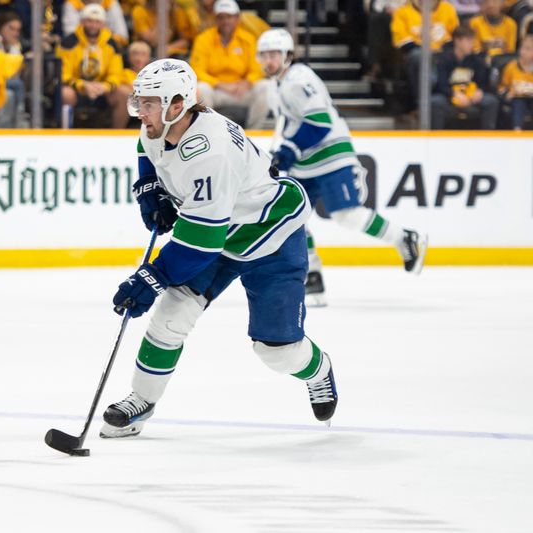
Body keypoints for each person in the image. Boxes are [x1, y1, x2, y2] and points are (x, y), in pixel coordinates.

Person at [100, 58, 339, 439]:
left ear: (177, 104)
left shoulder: (209, 151)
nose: (140, 112)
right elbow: (147, 150)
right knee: (172, 313)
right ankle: (141, 401)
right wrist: (150, 188)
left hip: (270, 233)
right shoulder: (161, 124)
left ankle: (319, 369)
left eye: (148, 104)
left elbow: (200, 243)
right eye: (139, 102)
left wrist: (152, 277)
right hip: (222, 229)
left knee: (276, 351)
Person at [257, 29, 427, 307]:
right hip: (306, 163)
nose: (269, 60)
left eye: (274, 54)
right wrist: (282, 150)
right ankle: (313, 278)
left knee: (347, 215)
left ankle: (404, 238)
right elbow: (291, 124)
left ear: (288, 55)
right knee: (292, 218)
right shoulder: (277, 85)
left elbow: (320, 121)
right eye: (264, 55)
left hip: (332, 156)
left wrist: (289, 150)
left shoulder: (298, 79)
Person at [189, 0, 271, 129]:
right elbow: (197, 70)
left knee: (265, 86)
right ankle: (207, 130)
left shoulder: (248, 39)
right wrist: (219, 84)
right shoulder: (204, 39)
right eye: (221, 17)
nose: (225, 21)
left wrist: (247, 82)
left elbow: (257, 68)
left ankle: (254, 132)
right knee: (201, 88)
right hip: (216, 90)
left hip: (241, 90)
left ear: (237, 18)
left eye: (229, 17)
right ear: (216, 19)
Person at [57, 4, 126, 128]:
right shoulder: (68, 42)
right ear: (82, 21)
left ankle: (116, 134)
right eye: (89, 21)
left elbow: (116, 74)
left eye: (97, 21)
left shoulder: (112, 44)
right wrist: (82, 85)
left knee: (124, 93)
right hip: (77, 88)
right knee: (65, 93)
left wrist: (105, 86)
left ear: (103, 24)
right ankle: (65, 132)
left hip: (102, 89)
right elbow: (63, 74)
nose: (93, 25)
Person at [431, 25, 500, 129]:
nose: (471, 45)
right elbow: (441, 84)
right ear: (457, 41)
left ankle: (487, 137)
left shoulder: (477, 60)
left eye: (472, 41)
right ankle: (435, 137)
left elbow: (482, 81)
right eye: (468, 41)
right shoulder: (444, 60)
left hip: (471, 95)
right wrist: (453, 94)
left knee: (491, 101)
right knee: (435, 102)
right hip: (449, 96)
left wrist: (479, 91)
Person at [499, 33, 533, 130]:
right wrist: (507, 94)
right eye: (522, 48)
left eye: (528, 49)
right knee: (518, 103)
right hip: (517, 98)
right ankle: (517, 130)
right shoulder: (511, 67)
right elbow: (502, 88)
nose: (523, 51)